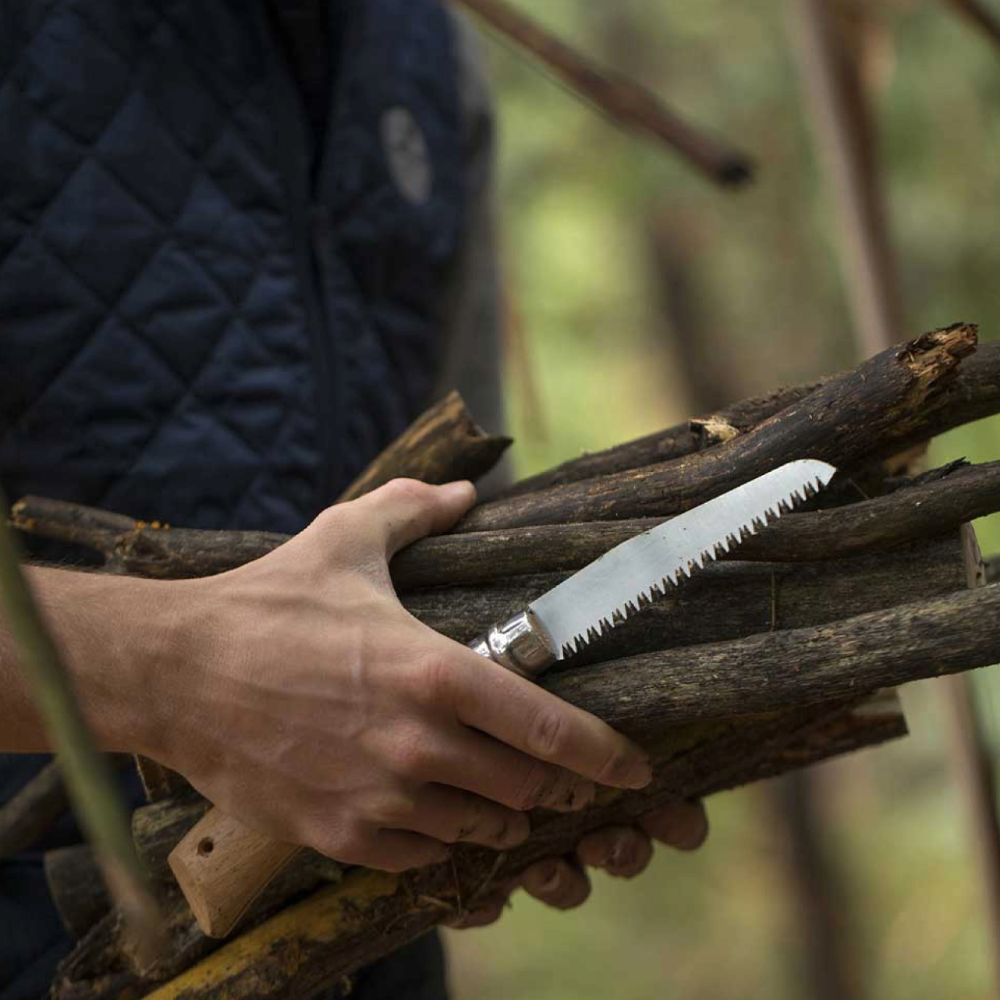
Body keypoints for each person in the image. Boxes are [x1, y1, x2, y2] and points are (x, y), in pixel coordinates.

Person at [0, 2, 708, 997]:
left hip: (363, 957)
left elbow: (450, 515)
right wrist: (176, 669)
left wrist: (498, 769)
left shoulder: (423, 51)